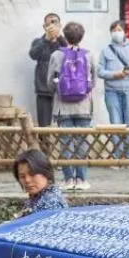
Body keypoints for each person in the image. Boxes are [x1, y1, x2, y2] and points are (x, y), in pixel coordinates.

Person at [47, 21, 95, 191]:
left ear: (65, 36)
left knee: (66, 143)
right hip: (83, 107)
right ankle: (81, 179)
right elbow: (93, 81)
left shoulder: (57, 55)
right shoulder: (89, 55)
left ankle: (68, 180)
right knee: (82, 142)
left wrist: (57, 91)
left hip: (63, 107)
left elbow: (50, 82)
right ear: (81, 36)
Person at [97, 20, 129, 160]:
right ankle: (118, 157)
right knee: (115, 123)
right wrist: (115, 75)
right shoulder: (106, 50)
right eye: (114, 30)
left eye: (119, 30)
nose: (116, 33)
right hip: (111, 91)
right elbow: (100, 71)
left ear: (125, 32)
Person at [28, 12, 66, 126]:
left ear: (60, 25)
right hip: (43, 89)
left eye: (55, 23)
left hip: (63, 89)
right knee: (44, 125)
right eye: (49, 24)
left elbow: (71, 53)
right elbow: (33, 55)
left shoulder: (64, 42)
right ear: (44, 27)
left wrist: (59, 37)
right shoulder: (38, 42)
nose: (52, 26)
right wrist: (46, 39)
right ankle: (44, 139)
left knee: (64, 124)